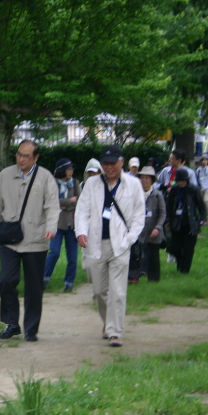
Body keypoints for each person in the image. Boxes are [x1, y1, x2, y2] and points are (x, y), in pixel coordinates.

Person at [75, 145, 145, 348]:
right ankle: (108, 321)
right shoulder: (92, 184)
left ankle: (115, 332)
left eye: (113, 163)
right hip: (95, 244)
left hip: (120, 245)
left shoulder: (133, 184)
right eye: (105, 163)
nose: (109, 167)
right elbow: (82, 211)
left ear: (122, 162)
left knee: (118, 291)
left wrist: (130, 238)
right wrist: (81, 232)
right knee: (99, 291)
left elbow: (139, 215)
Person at [0, 140, 58, 342]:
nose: (21, 159)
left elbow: (52, 206)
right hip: (9, 238)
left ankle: (31, 328)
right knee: (6, 280)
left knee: (34, 286)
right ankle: (11, 323)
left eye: (26, 156)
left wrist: (51, 227)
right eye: (19, 154)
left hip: (36, 239)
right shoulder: (4, 175)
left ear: (36, 158)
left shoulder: (45, 177)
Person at [43, 158, 80, 293]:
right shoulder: (52, 183)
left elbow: (79, 201)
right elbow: (51, 201)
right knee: (54, 252)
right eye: (68, 169)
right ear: (62, 170)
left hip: (72, 224)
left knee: (73, 257)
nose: (71, 171)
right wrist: (69, 201)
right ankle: (44, 278)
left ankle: (69, 283)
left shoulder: (75, 183)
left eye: (72, 169)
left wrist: (64, 205)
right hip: (56, 224)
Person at [166, 169, 207, 274]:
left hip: (190, 223)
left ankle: (185, 270)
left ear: (187, 180)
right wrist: (168, 218)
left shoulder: (193, 189)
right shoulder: (174, 189)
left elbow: (201, 205)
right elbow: (169, 205)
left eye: (183, 181)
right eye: (179, 181)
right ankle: (180, 264)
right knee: (175, 247)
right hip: (176, 222)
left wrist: (203, 219)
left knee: (189, 248)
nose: (181, 183)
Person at [131, 166, 166, 282]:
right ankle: (135, 275)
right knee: (137, 254)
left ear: (152, 180)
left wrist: (158, 227)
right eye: (142, 177)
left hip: (153, 230)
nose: (144, 180)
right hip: (139, 230)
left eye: (147, 178)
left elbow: (162, 213)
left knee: (153, 255)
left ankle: (154, 278)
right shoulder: (135, 194)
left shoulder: (157, 195)